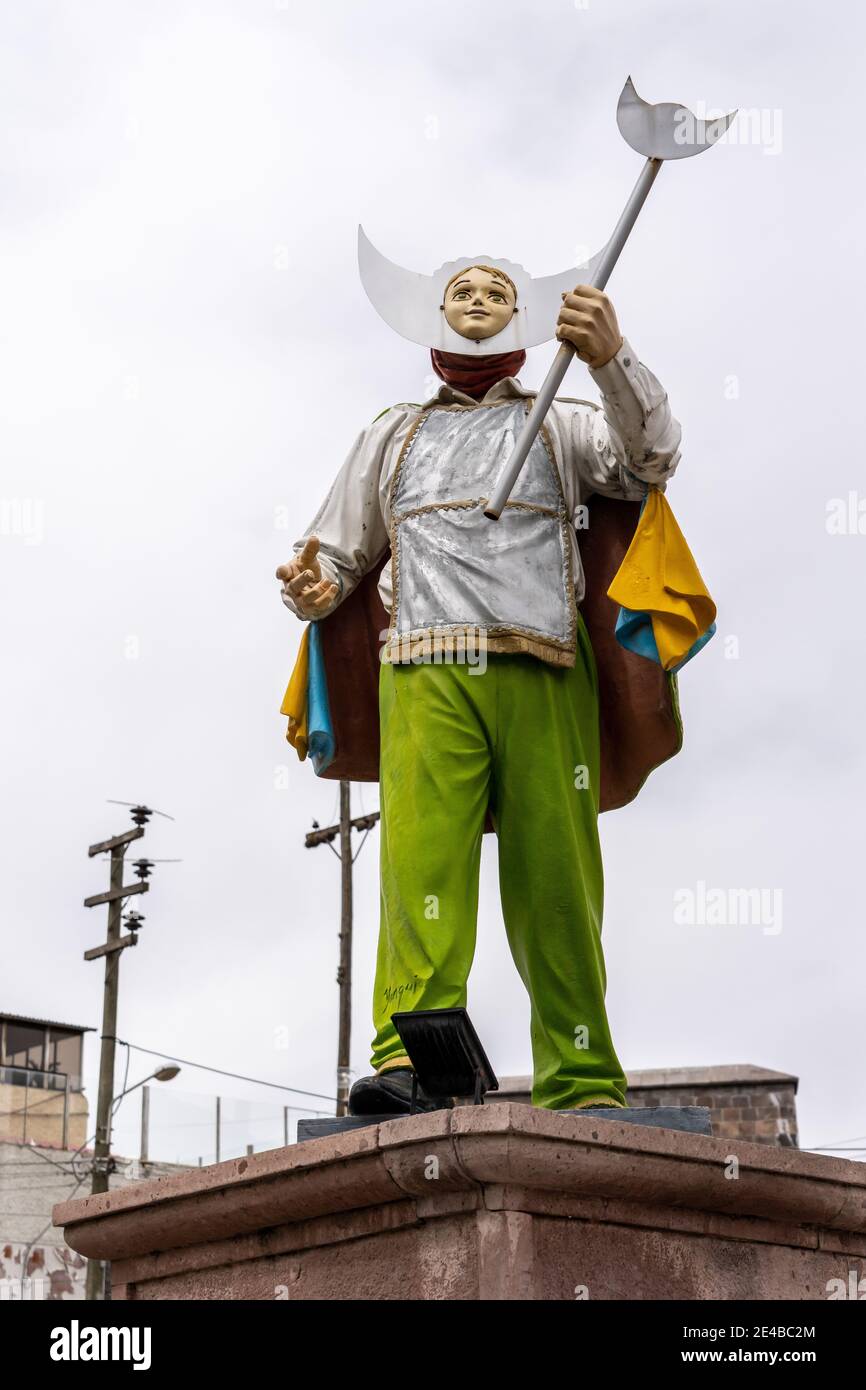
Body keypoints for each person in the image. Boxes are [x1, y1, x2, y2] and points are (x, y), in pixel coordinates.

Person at [277, 243, 682, 1115]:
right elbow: (336, 552)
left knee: (557, 879)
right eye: (462, 288)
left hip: (543, 663)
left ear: (523, 317)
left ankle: (582, 1079)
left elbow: (649, 461)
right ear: (434, 313)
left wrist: (613, 359)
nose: (479, 297)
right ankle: (414, 1061)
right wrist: (315, 585)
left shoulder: (564, 420)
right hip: (423, 668)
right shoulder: (393, 431)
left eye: (497, 290)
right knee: (421, 871)